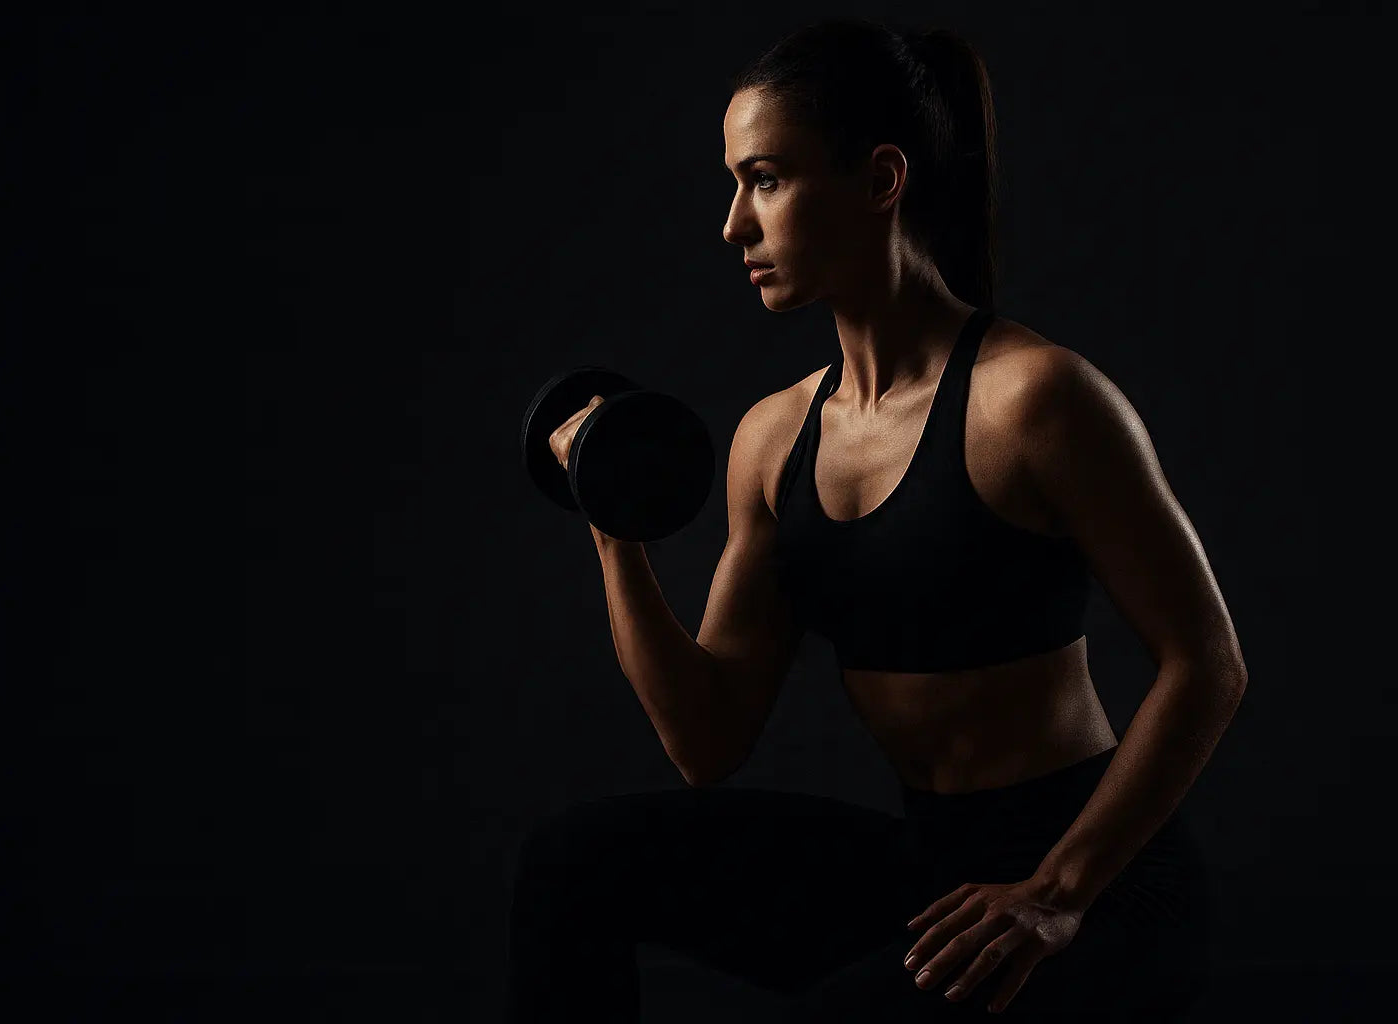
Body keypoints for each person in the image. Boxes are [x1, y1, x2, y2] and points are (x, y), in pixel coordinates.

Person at [504, 17, 1247, 1023]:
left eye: (765, 178)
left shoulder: (1032, 399)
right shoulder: (774, 440)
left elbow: (1208, 663)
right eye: (734, 183)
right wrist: (611, 519)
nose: (733, 224)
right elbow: (706, 739)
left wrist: (1054, 894)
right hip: (932, 866)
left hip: (1100, 882)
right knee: (570, 864)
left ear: (881, 179)